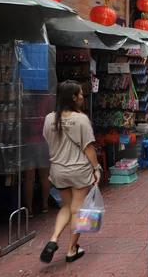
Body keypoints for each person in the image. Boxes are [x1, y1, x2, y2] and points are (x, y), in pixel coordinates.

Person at [39, 81, 102, 264]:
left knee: (66, 206)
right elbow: (89, 148)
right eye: (81, 94)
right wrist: (97, 168)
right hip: (79, 171)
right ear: (74, 97)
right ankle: (71, 250)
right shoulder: (81, 119)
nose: (83, 97)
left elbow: (47, 139)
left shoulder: (49, 118)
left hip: (58, 171)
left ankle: (53, 239)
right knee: (78, 210)